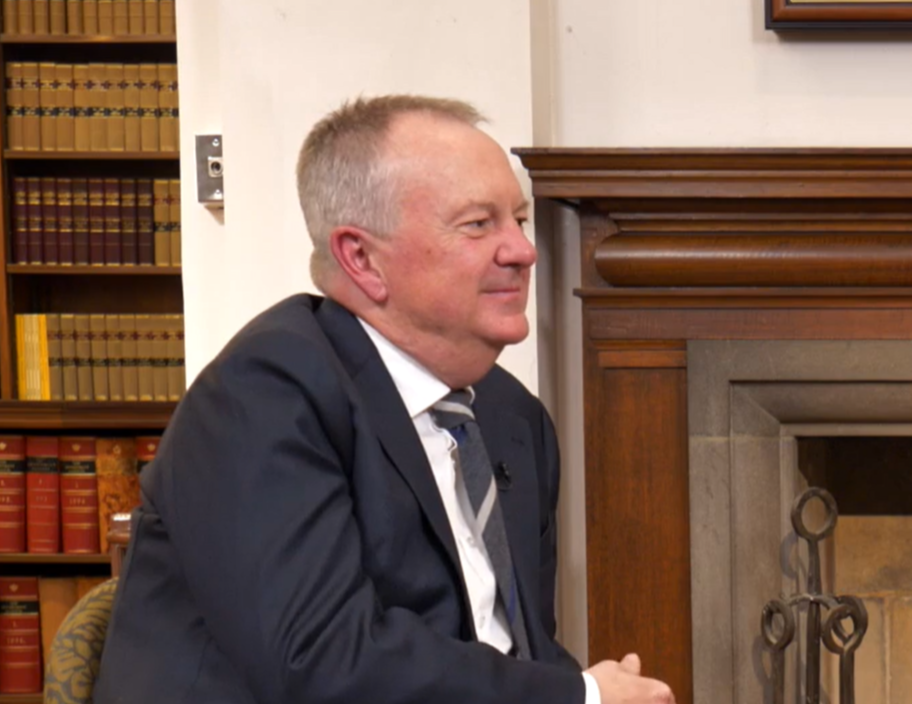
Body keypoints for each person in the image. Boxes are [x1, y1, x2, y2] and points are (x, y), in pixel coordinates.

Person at [93, 95, 675, 704]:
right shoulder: (263, 395)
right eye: (479, 224)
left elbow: (516, 649)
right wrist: (581, 697)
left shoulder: (511, 415)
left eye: (519, 220)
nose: (522, 251)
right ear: (362, 258)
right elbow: (324, 663)